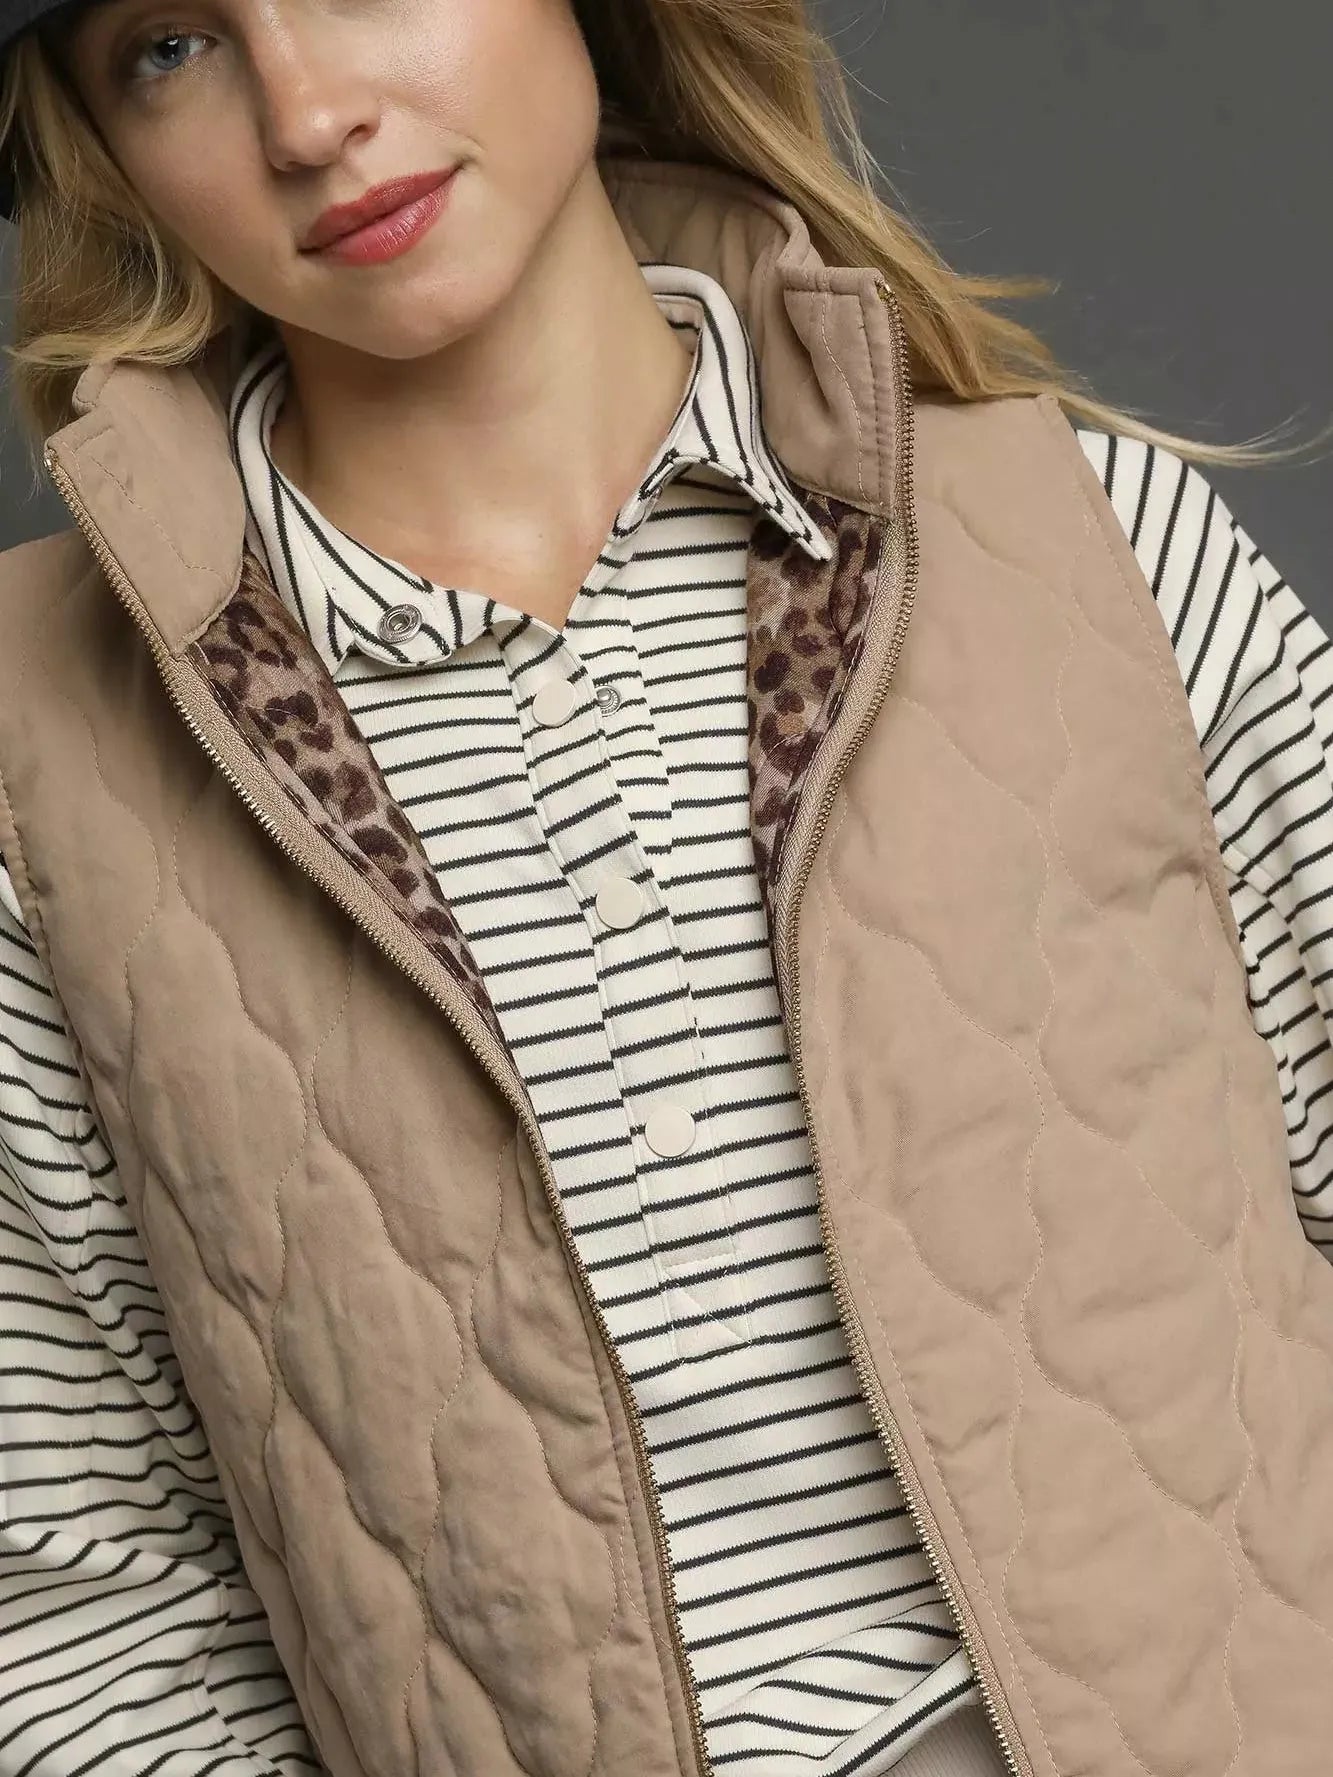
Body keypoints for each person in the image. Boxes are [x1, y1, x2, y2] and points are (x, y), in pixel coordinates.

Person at [0, 0, 1329, 1773]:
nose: (308, 115)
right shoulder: (41, 767)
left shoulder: (1088, 538)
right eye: (169, 44)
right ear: (96, 141)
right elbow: (79, 1614)